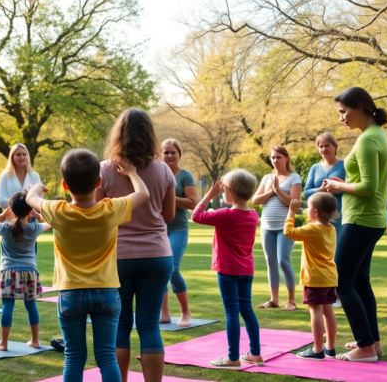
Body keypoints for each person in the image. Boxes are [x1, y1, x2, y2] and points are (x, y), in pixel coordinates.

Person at [28, 148, 150, 382]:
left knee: (73, 356)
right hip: (106, 292)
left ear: (64, 185)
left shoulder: (57, 210)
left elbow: (30, 199)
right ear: (99, 182)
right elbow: (143, 193)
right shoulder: (110, 209)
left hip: (71, 292)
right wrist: (132, 173)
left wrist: (36, 187)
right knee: (106, 356)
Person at [95, 108, 176, 382]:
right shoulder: (163, 169)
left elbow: (97, 214)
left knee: (120, 325)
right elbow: (168, 215)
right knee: (149, 325)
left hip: (119, 257)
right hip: (157, 253)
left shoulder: (104, 169)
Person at [321, 86, 387, 362]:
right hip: (371, 219)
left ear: (360, 107)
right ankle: (372, 343)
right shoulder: (378, 135)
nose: (341, 118)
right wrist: (343, 184)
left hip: (361, 219)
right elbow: (367, 184)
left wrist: (340, 187)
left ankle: (364, 346)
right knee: (361, 282)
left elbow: (369, 186)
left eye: (343, 111)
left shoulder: (367, 140)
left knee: (342, 282)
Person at [192, 170, 263, 369]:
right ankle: (255, 354)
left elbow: (196, 216)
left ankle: (233, 357)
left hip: (228, 271)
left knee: (232, 312)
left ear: (229, 191)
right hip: (246, 271)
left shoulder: (225, 215)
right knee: (247, 310)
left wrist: (209, 195)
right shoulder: (253, 215)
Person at [0, 192, 50, 351]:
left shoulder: (5, 227)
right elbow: (50, 222)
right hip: (29, 272)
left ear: (11, 209)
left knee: (7, 306)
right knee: (31, 305)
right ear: (30, 210)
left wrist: (3, 215)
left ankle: (3, 343)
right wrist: (36, 213)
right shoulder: (35, 228)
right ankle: (35, 340)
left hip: (8, 272)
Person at [284, 195, 338, 360]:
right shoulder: (331, 228)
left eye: (308, 207)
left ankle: (317, 349)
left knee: (315, 311)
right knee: (328, 311)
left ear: (315, 212)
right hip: (330, 276)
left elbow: (288, 232)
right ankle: (330, 348)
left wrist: (291, 212)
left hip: (315, 278)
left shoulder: (312, 229)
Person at [252, 146, 302, 311]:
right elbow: (255, 200)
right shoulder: (267, 178)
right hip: (267, 226)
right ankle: (274, 299)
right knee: (271, 262)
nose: (275, 161)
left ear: (286, 158)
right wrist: (269, 192)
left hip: (285, 227)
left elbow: (292, 202)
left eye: (278, 157)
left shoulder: (294, 178)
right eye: (273, 158)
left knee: (283, 261)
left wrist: (277, 190)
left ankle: (291, 300)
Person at [159, 138, 197, 327]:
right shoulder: (156, 174)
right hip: (157, 229)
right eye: (166, 152)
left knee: (172, 268)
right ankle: (164, 313)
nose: (169, 155)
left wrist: (170, 196)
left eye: (173, 152)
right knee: (158, 270)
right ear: (160, 155)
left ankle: (185, 312)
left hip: (178, 229)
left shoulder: (185, 176)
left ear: (179, 154)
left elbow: (192, 202)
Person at [304, 133, 346, 239]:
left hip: (339, 216)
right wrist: (321, 189)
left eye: (327, 145)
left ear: (335, 147)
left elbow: (352, 188)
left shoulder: (345, 166)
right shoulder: (315, 168)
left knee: (337, 250)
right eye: (320, 146)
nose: (323, 149)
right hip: (318, 218)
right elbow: (306, 192)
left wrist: (339, 188)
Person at [0, 143, 42, 209]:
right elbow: (0, 201)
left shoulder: (35, 176)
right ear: (12, 157)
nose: (22, 157)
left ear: (28, 156)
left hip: (31, 217)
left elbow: (40, 199)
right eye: (18, 155)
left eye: (24, 154)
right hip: (11, 217)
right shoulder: (5, 176)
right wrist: (22, 199)